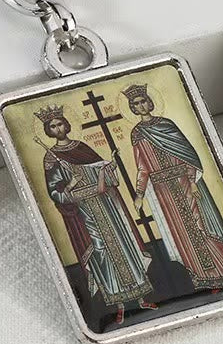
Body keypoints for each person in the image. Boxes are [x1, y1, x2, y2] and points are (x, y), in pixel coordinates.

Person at [36, 104, 156, 324]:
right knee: (101, 253)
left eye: (60, 123)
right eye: (53, 126)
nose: (58, 128)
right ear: (48, 130)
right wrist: (71, 184)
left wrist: (108, 167)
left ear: (66, 124)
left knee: (123, 245)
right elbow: (54, 193)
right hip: (85, 212)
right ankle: (119, 306)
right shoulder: (51, 159)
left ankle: (141, 299)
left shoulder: (82, 147)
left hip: (107, 206)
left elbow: (104, 174)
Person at [124, 84, 223, 292]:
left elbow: (186, 154)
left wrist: (192, 182)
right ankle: (203, 276)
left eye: (143, 101)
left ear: (149, 102)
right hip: (163, 191)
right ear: (132, 108)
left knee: (200, 225)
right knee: (183, 234)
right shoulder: (137, 134)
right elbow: (142, 167)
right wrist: (139, 194)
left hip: (184, 182)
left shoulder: (166, 125)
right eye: (136, 104)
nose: (141, 106)